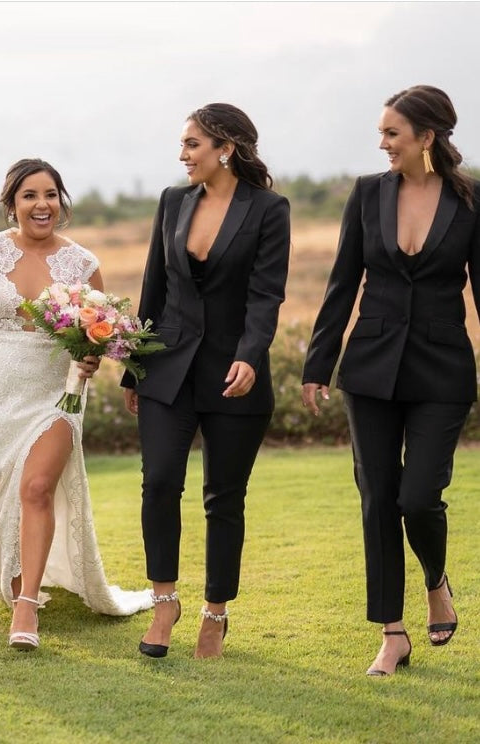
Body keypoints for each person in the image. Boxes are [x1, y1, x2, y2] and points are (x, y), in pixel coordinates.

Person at [0, 158, 152, 651]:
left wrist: (90, 360)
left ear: (61, 203)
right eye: (29, 195)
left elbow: (97, 336)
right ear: (12, 204)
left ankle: (27, 606)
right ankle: (17, 574)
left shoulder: (83, 264)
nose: (41, 205)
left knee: (39, 486)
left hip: (57, 391)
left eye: (50, 195)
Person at [302, 85, 472, 676]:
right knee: (377, 499)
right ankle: (392, 632)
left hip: (442, 370)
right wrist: (318, 366)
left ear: (426, 137)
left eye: (393, 133)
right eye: (382, 133)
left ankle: (434, 580)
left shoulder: (470, 199)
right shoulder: (368, 193)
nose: (383, 144)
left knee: (418, 497)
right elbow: (342, 282)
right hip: (370, 366)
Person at [121, 104, 290, 659]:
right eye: (183, 144)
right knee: (161, 481)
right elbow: (154, 288)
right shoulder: (173, 201)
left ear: (226, 147)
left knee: (224, 497)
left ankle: (215, 612)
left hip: (233, 374)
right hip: (166, 369)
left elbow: (266, 295)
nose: (182, 154)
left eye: (192, 143)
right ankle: (163, 601)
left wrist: (249, 355)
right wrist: (133, 366)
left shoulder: (269, 210)